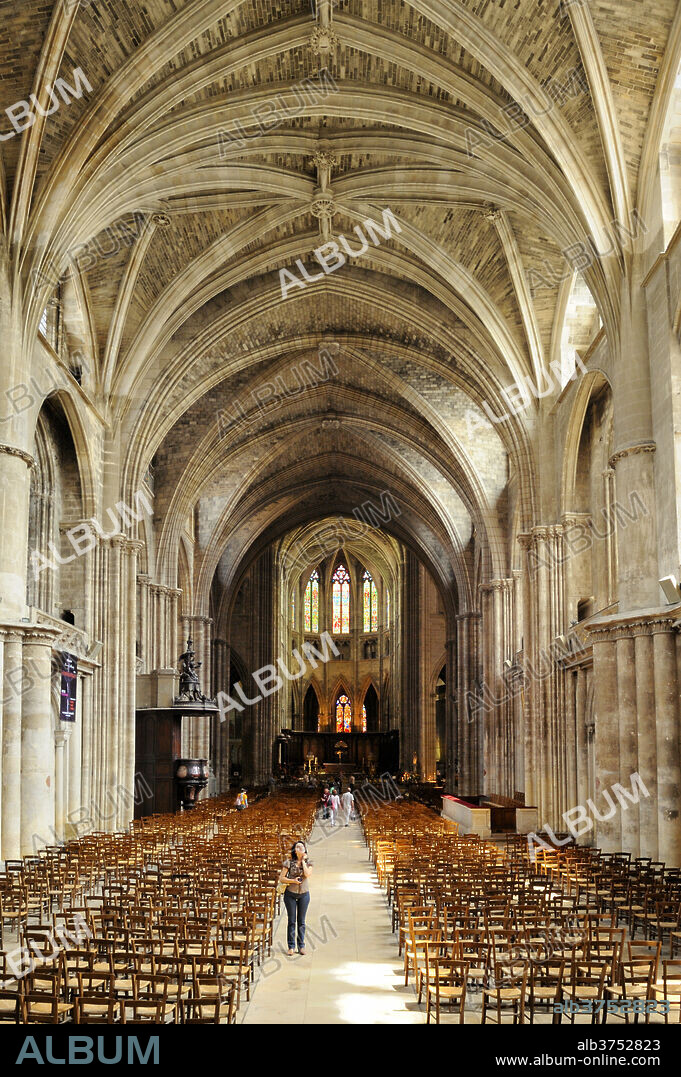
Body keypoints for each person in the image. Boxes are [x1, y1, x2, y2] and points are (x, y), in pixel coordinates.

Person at [278, 841, 313, 955]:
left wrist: (302, 860)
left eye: (302, 846)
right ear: (294, 850)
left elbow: (307, 874)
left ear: (305, 850)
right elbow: (281, 878)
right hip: (290, 894)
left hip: (304, 894)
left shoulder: (309, 862)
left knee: (301, 921)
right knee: (292, 921)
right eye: (297, 846)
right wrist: (292, 881)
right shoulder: (288, 862)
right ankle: (291, 946)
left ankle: (301, 945)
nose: (300, 848)